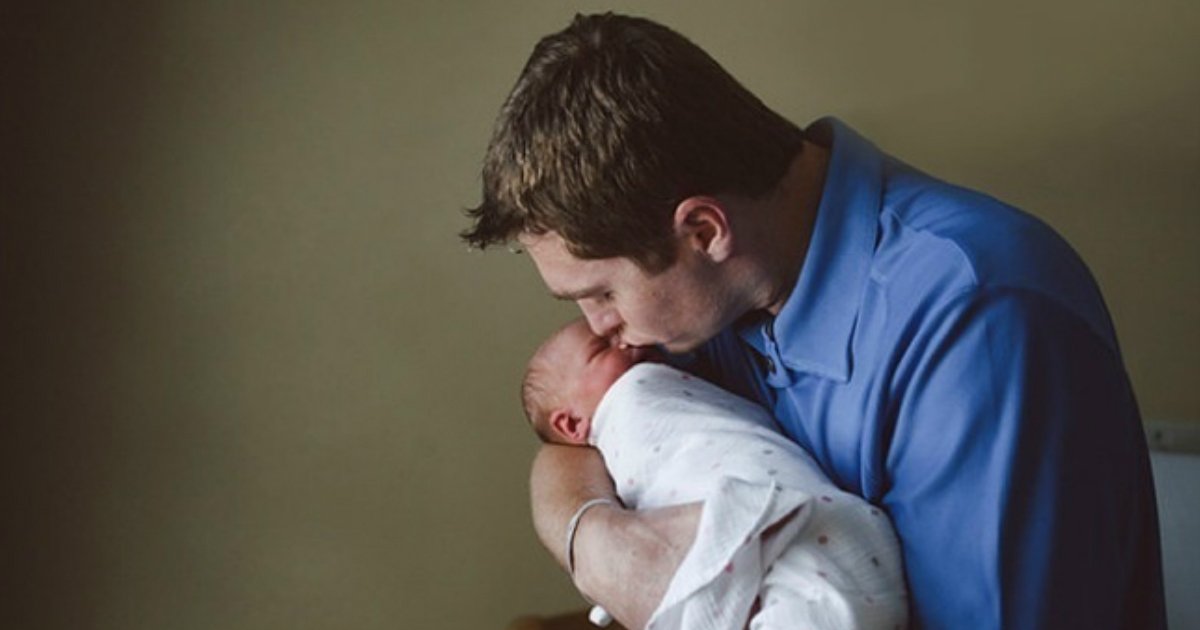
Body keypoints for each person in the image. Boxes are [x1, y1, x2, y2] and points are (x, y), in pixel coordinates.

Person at [462, 12, 1165, 630]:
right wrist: (595, 542)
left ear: (704, 231)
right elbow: (573, 429)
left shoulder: (982, 320)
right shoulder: (716, 300)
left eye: (601, 294)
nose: (599, 329)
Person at [522, 318, 908, 629]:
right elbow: (557, 464)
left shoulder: (678, 349)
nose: (623, 340)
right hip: (772, 550)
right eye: (600, 349)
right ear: (572, 425)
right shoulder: (631, 399)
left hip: (796, 524)